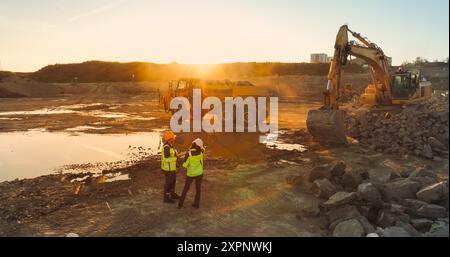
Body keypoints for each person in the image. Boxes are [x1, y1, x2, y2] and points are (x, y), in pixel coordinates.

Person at [178, 138, 205, 209]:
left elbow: (185, 165)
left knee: (185, 189)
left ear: (193, 144)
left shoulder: (189, 154)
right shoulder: (201, 153)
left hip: (190, 174)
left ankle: (180, 204)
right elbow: (202, 150)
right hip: (199, 173)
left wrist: (183, 162)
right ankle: (196, 204)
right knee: (198, 189)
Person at [160, 130, 180, 203]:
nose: (174, 139)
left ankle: (172, 194)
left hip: (172, 168)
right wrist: (175, 158)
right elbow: (166, 159)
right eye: (173, 138)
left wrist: (177, 155)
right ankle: (166, 198)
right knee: (168, 183)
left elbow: (172, 155)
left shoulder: (170, 146)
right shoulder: (167, 147)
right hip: (168, 169)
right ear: (170, 139)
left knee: (173, 181)